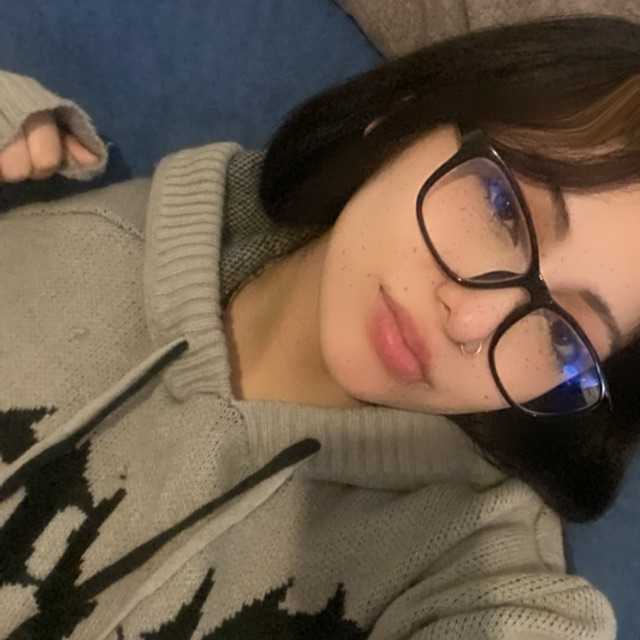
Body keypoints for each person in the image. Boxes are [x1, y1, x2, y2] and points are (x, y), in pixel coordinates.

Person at [0, 14, 636, 640]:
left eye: (564, 335)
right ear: (409, 112)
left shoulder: (477, 576)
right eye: (503, 209)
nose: (471, 320)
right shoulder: (98, 224)